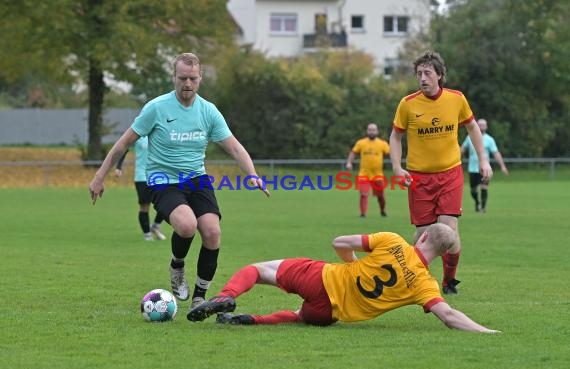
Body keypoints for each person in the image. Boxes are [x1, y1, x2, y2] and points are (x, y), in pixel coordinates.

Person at [89, 52, 270, 310]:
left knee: (212, 232)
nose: (187, 83)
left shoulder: (208, 111)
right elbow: (123, 144)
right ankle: (177, 265)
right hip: (162, 180)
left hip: (196, 179)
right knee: (186, 226)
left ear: (200, 78)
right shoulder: (156, 108)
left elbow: (235, 148)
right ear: (173, 76)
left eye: (192, 78)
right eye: (182, 77)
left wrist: (252, 175)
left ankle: (199, 297)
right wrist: (99, 177)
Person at [186, 223, 500, 333]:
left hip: (321, 278)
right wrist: (485, 331)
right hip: (330, 314)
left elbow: (340, 242)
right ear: (443, 253)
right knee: (300, 317)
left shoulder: (392, 240)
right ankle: (250, 321)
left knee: (257, 270)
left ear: (422, 237)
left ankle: (225, 296)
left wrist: (352, 263)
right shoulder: (425, 285)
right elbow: (448, 315)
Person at [389, 51, 493, 295]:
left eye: (427, 73)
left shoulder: (456, 99)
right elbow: (396, 135)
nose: (422, 78)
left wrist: (483, 160)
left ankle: (449, 280)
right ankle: (420, 280)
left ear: (439, 75)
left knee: (448, 230)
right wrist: (396, 166)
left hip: (450, 174)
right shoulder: (408, 103)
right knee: (422, 235)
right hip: (419, 177)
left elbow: (472, 128)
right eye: (418, 74)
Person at [115, 136, 167, 241]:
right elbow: (124, 148)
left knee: (166, 203)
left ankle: (156, 225)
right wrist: (118, 167)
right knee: (144, 206)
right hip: (142, 176)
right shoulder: (138, 135)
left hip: (159, 176)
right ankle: (147, 234)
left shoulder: (160, 132)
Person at [461, 118, 509, 213]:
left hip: (484, 168)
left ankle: (483, 208)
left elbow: (496, 153)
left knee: (484, 187)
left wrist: (502, 166)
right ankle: (477, 202)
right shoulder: (469, 137)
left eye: (484, 125)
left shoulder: (490, 139)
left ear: (486, 127)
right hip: (472, 169)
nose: (482, 127)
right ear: (476, 125)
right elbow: (462, 149)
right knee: (473, 190)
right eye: (480, 125)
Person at [345, 123, 390, 218]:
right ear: (367, 131)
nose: (371, 131)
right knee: (363, 194)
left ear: (377, 131)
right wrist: (349, 162)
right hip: (364, 174)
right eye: (370, 129)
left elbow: (391, 154)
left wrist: (396, 164)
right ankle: (363, 213)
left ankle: (382, 211)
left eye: (373, 130)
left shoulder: (382, 144)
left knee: (380, 196)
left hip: (378, 175)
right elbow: (353, 153)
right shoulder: (361, 143)